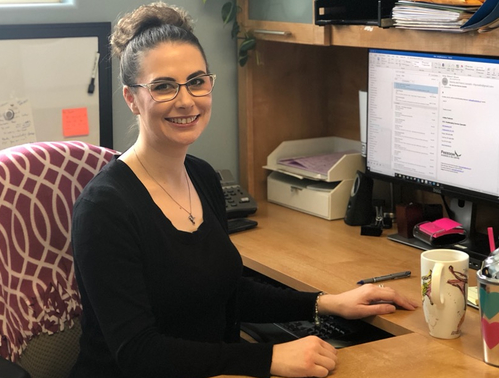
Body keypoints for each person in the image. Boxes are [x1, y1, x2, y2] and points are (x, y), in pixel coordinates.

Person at [70, 2, 418, 378]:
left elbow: (227, 291)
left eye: (197, 81)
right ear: (131, 98)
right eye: (164, 87)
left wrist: (328, 303)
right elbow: (139, 353)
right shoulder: (105, 209)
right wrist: (268, 359)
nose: (186, 100)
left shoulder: (201, 177)